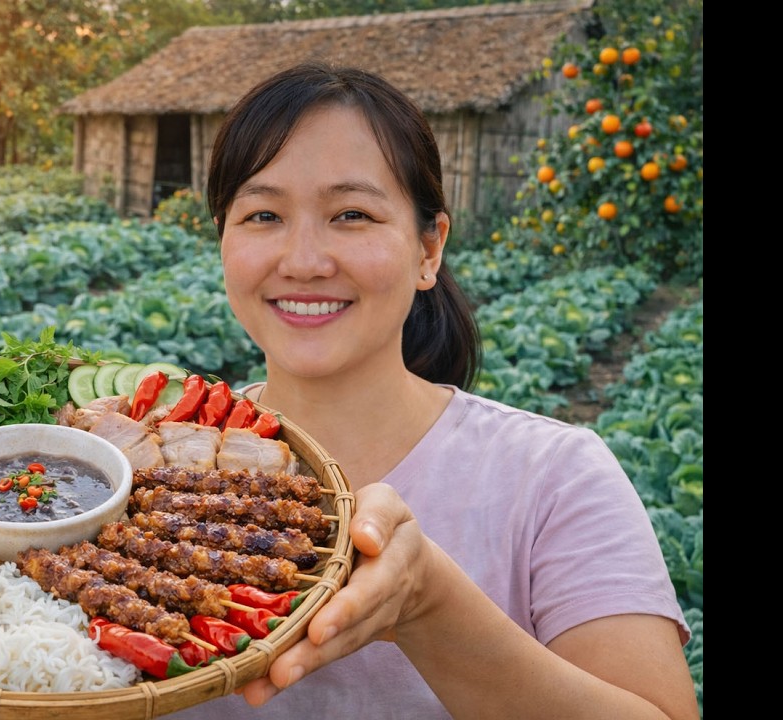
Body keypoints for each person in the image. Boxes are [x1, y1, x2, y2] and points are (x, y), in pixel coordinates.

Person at [166, 62, 697, 719]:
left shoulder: (554, 478)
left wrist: (430, 605)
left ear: (428, 248)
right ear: (222, 239)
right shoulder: (153, 466)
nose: (302, 260)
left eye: (352, 214)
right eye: (264, 214)